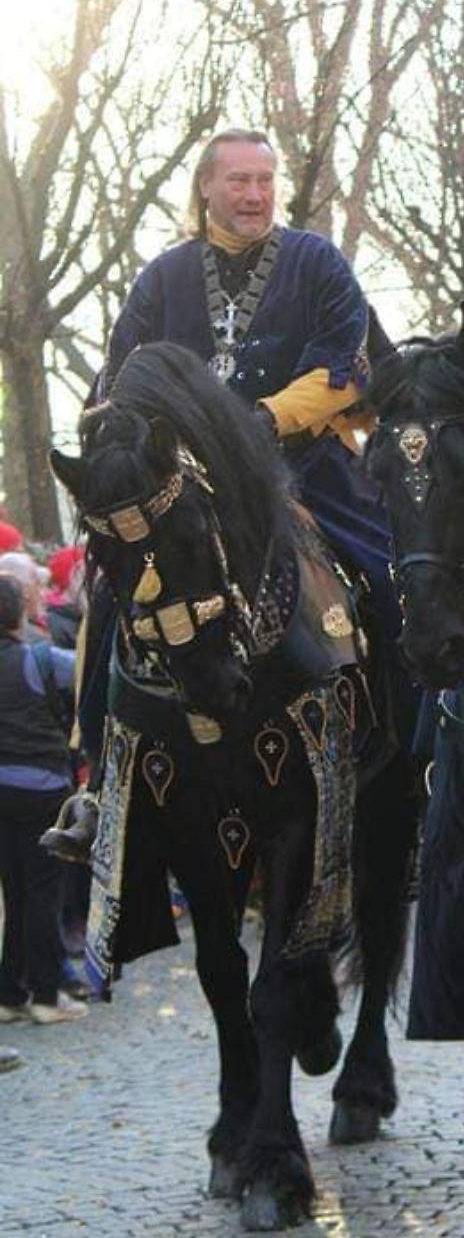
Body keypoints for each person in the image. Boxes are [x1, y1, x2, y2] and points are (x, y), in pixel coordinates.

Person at [53, 127, 402, 859]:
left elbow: (346, 366)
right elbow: (118, 385)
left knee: (393, 579)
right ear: (206, 188)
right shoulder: (164, 277)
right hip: (183, 487)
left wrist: (255, 424)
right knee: (111, 597)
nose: (254, 194)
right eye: (239, 180)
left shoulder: (315, 261)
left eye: (265, 180)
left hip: (306, 468)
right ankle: (95, 784)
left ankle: (415, 768)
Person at [0, 575, 85, 1024]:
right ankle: (48, 997)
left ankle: (10, 992)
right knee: (43, 896)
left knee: (14, 893)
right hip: (43, 789)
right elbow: (91, 669)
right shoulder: (40, 658)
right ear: (17, 613)